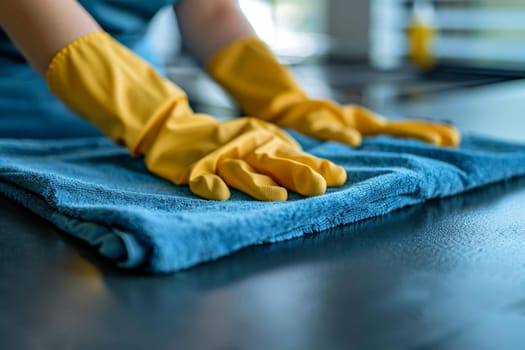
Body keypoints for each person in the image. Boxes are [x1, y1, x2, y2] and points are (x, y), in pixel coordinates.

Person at [0, 0, 460, 201]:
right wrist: (160, 122)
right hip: (15, 120)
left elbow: (212, 10)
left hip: (124, 127)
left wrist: (283, 103)